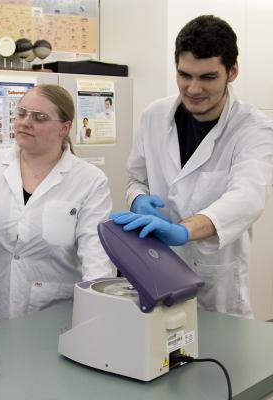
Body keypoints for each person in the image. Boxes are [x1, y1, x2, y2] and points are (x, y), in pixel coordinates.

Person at [112, 15, 273, 318]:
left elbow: (247, 198)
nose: (194, 88)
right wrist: (137, 199)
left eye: (208, 77)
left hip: (216, 281)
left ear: (232, 72)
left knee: (222, 358)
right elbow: (136, 178)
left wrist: (183, 230)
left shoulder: (253, 129)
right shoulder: (154, 116)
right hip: (156, 267)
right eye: (185, 75)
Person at [0, 84, 115, 321]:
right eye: (21, 113)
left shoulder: (89, 180)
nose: (26, 122)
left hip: (52, 316)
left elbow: (96, 255)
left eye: (40, 118)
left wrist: (97, 316)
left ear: (65, 128)